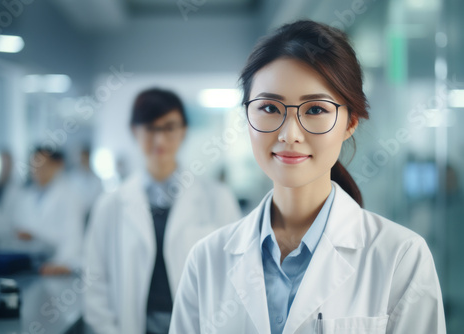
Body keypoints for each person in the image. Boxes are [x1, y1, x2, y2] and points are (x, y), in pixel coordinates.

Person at [169, 20, 446, 334]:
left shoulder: (400, 257)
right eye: (270, 107)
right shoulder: (206, 260)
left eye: (315, 110)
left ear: (350, 122)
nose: (289, 135)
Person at [83, 88, 241, 334]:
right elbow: (94, 285)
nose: (159, 140)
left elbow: (235, 276)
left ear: (184, 131)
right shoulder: (110, 205)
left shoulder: (217, 198)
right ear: (134, 131)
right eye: (150, 128)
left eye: (168, 127)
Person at [14, 147, 85, 275]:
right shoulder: (27, 196)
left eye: (42, 165)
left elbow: (73, 240)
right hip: (30, 266)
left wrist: (62, 263)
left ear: (57, 165)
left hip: (58, 266)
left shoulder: (70, 196)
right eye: (33, 165)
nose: (36, 170)